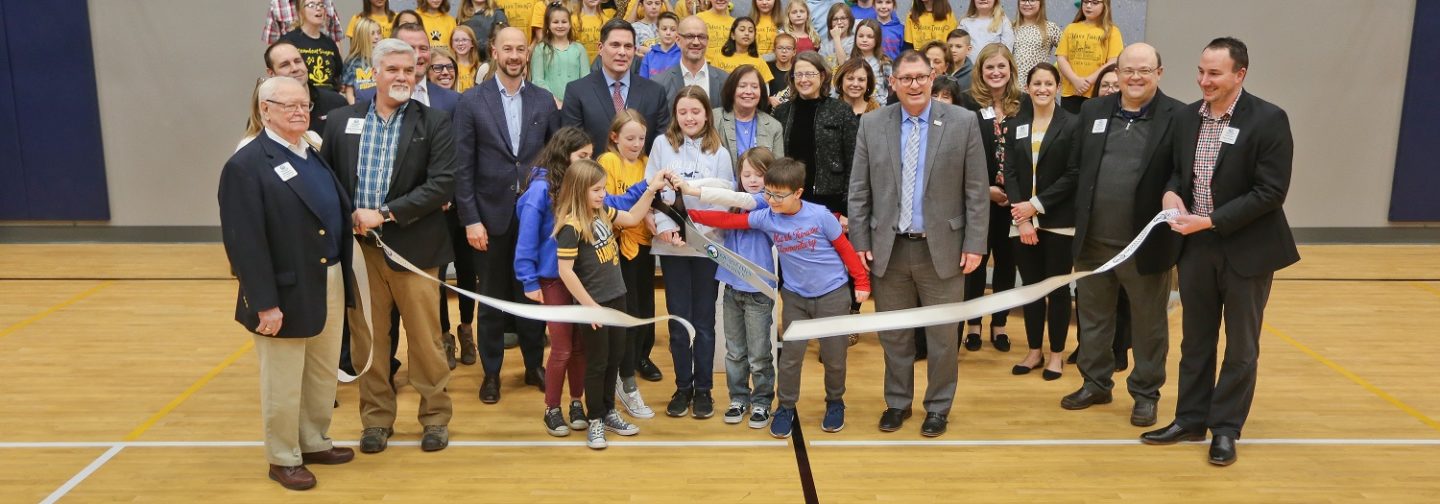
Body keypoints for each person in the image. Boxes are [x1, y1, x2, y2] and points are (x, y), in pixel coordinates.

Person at [1145, 37, 1299, 467]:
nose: (1203, 81)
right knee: (1196, 339)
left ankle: (1226, 428)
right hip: (1195, 247)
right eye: (1200, 71)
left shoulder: (1269, 119)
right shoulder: (1187, 116)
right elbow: (1178, 171)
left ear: (1240, 75)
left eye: (1214, 73)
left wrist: (1210, 221)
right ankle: (1190, 418)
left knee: (1241, 346)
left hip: (1247, 250)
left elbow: (1270, 192)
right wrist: (1172, 194)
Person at [319, 38, 456, 455]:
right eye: (393, 69)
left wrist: (386, 212)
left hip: (413, 249)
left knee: (426, 341)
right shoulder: (341, 120)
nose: (402, 77)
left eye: (409, 70)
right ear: (373, 74)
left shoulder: (434, 122)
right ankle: (376, 420)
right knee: (369, 343)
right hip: (360, 254)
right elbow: (327, 181)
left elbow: (442, 183)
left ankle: (435, 417)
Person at [220, 76, 355, 491]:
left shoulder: (309, 151)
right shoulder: (246, 165)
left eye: (305, 105)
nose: (300, 112)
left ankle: (313, 441)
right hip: (282, 290)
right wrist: (265, 303)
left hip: (327, 276)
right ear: (265, 111)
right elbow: (244, 243)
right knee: (282, 377)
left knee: (320, 370)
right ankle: (282, 457)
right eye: (288, 105)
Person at [848, 50, 988, 436]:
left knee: (943, 337)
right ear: (892, 83)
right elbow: (858, 191)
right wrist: (859, 239)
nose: (914, 85)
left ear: (933, 78)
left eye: (921, 77)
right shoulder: (873, 124)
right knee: (895, 334)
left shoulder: (963, 122)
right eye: (906, 78)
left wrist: (975, 242)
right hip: (888, 250)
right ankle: (897, 402)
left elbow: (977, 190)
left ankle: (939, 406)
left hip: (942, 248)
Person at [686, 156, 871, 438]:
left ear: (798, 193)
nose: (771, 200)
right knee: (790, 358)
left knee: (834, 358)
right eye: (768, 193)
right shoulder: (766, 217)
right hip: (795, 297)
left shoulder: (820, 216)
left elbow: (845, 249)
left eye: (778, 195)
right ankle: (785, 406)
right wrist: (688, 216)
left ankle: (835, 402)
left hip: (833, 295)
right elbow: (729, 220)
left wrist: (861, 281)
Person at [1055, 43, 1183, 431]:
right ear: (1118, 72)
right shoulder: (1094, 111)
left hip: (1145, 244)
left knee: (1148, 324)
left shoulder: (1178, 116)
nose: (1135, 77)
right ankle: (1096, 383)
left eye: (1145, 70)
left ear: (1159, 73)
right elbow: (1077, 170)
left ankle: (1146, 394)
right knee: (1093, 319)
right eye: (1128, 70)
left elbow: (1181, 173)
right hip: (1093, 242)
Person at [451, 27, 559, 402]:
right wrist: (471, 219)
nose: (514, 55)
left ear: (526, 54)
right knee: (493, 298)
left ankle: (533, 366)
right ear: (493, 52)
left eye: (519, 49)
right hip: (489, 218)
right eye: (506, 49)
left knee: (532, 295)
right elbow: (461, 166)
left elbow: (554, 160)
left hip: (535, 219)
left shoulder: (544, 101)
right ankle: (492, 373)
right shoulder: (471, 102)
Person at [554, 159, 667, 449]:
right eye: (596, 190)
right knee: (597, 363)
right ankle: (595, 419)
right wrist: (590, 306)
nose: (602, 194)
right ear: (579, 190)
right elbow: (565, 272)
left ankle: (609, 412)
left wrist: (651, 190)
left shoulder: (602, 211)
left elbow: (631, 219)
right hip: (595, 305)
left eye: (603, 189)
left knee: (615, 359)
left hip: (618, 298)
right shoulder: (571, 226)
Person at [645, 86, 735, 420]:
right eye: (683, 112)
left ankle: (705, 391)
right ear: (675, 115)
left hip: (706, 248)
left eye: (695, 112)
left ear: (707, 114)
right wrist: (663, 227)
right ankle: (682, 387)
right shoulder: (661, 145)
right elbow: (650, 192)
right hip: (671, 248)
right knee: (679, 322)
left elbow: (725, 198)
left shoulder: (720, 153)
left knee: (704, 322)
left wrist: (701, 233)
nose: (689, 118)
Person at [673, 147, 777, 428]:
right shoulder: (734, 197)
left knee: (758, 353)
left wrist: (691, 192)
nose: (753, 179)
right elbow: (723, 186)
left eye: (760, 174)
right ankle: (739, 398)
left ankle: (762, 401)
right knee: (734, 351)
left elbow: (732, 195)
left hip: (758, 290)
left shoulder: (765, 202)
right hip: (731, 287)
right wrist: (686, 185)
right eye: (747, 174)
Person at [1003, 62, 1076, 380]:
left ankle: (1056, 355)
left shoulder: (1072, 124)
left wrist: (1035, 206)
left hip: (1058, 220)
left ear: (1058, 87)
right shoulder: (1017, 123)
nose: (1043, 89)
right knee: (1030, 289)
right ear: (1028, 87)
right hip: (1021, 221)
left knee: (1057, 291)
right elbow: (1011, 172)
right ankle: (1034, 351)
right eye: (1037, 84)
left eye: (1049, 83)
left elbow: (1073, 174)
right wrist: (1022, 217)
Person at [957, 42, 1022, 352]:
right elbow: (960, 156)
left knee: (1007, 263)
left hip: (1015, 202)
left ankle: (999, 323)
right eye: (989, 67)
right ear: (980, 72)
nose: (996, 72)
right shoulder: (967, 104)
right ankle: (972, 323)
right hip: (979, 199)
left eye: (1001, 67)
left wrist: (1016, 193)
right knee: (975, 263)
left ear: (1010, 70)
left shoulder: (1023, 105)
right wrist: (986, 190)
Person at [597, 112, 667, 392]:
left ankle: (642, 356)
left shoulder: (647, 163)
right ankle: (622, 362)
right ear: (614, 137)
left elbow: (653, 199)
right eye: (630, 138)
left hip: (643, 243)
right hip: (616, 245)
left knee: (645, 304)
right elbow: (612, 203)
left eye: (641, 138)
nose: (637, 144)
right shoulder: (608, 162)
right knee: (626, 307)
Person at [563, 19, 672, 153]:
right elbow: (573, 148)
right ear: (600, 48)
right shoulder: (577, 91)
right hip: (596, 172)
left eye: (628, 46)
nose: (622, 52)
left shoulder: (655, 92)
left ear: (635, 50)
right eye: (615, 45)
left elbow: (662, 146)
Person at [772, 51, 857, 216]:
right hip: (791, 198)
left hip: (831, 201)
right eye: (799, 74)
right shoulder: (782, 111)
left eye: (810, 74)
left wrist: (847, 208)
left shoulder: (841, 110)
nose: (804, 80)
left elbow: (853, 161)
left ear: (822, 75)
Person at [356, 23, 462, 114]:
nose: (417, 55)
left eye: (423, 48)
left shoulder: (452, 100)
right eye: (410, 48)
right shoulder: (368, 97)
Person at [265, 41, 350, 135]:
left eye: (298, 61)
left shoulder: (336, 103)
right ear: (271, 73)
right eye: (285, 65)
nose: (294, 68)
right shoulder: (267, 113)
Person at [1057, 0, 1122, 114]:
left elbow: (1113, 61)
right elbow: (1061, 58)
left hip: (1097, 93)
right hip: (1071, 92)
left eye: (1095, 3)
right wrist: (1075, 80)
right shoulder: (1071, 28)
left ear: (1104, 6)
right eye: (1086, 2)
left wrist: (1088, 81)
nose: (1088, 6)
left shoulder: (1112, 31)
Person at [715, 65, 784, 169]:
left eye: (755, 87)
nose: (748, 91)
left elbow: (778, 169)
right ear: (731, 89)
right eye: (742, 86)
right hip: (721, 184)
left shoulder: (774, 126)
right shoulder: (714, 119)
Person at [656, 16, 732, 103]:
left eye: (701, 37)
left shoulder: (726, 81)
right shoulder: (660, 83)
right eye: (690, 36)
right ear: (677, 40)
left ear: (707, 41)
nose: (696, 42)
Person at [281, 0, 345, 91]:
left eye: (321, 5)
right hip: (303, 97)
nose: (318, 8)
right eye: (311, 5)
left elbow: (337, 72)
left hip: (330, 99)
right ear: (301, 11)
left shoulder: (330, 43)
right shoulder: (289, 41)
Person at [531, 3, 592, 98]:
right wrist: (554, 100)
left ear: (570, 24)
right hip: (549, 104)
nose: (560, 25)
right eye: (555, 22)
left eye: (564, 22)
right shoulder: (541, 49)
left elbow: (586, 79)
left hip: (574, 104)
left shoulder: (579, 49)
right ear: (548, 25)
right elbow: (537, 80)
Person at [1010, 0, 1059, 88]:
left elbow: (1067, 52)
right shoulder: (1010, 27)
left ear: (1040, 3)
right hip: (1014, 87)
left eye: (1032, 0)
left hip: (1039, 87)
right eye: (1023, 0)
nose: (1027, 4)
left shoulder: (1050, 28)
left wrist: (1055, 72)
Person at [343, 17, 384, 103]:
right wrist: (356, 110)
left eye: (379, 33)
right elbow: (349, 93)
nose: (377, 37)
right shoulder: (352, 62)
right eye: (372, 33)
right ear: (361, 36)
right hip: (360, 109)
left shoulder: (385, 59)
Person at [851, 19, 891, 104]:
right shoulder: (850, 60)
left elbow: (891, 88)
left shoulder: (884, 63)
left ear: (877, 38)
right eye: (861, 36)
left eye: (870, 36)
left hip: (878, 108)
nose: (864, 40)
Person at [265, 0, 341, 44]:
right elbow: (273, 45)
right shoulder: (277, 4)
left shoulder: (327, 2)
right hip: (292, 65)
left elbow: (336, 40)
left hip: (324, 60)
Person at [638, 12, 683, 79]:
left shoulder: (683, 55)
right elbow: (642, 82)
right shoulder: (649, 56)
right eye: (664, 29)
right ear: (657, 31)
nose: (668, 33)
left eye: (673, 30)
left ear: (677, 32)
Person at [819, 3, 855, 68]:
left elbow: (843, 65)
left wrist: (836, 38)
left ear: (850, 20)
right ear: (830, 22)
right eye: (835, 19)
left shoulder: (854, 40)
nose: (839, 22)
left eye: (843, 18)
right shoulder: (825, 42)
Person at [450, 26, 483, 92]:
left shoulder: (480, 68)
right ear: (452, 44)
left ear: (472, 43)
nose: (460, 43)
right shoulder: (448, 67)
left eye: (464, 40)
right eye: (456, 40)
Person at [766, 33, 797, 105]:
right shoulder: (767, 68)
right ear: (774, 50)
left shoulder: (797, 71)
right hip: (770, 112)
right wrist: (768, 100)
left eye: (788, 48)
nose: (784, 51)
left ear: (794, 52)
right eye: (780, 48)